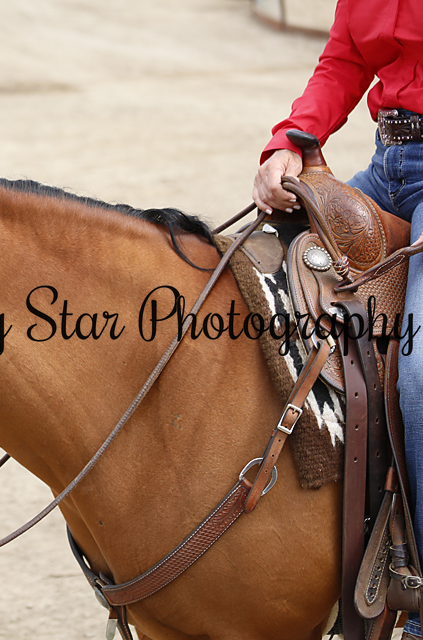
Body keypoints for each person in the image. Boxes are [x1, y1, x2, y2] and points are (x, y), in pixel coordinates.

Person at [252, 1, 423, 637]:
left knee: (419, 376)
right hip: (387, 168)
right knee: (269, 280)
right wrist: (290, 143)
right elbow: (344, 62)